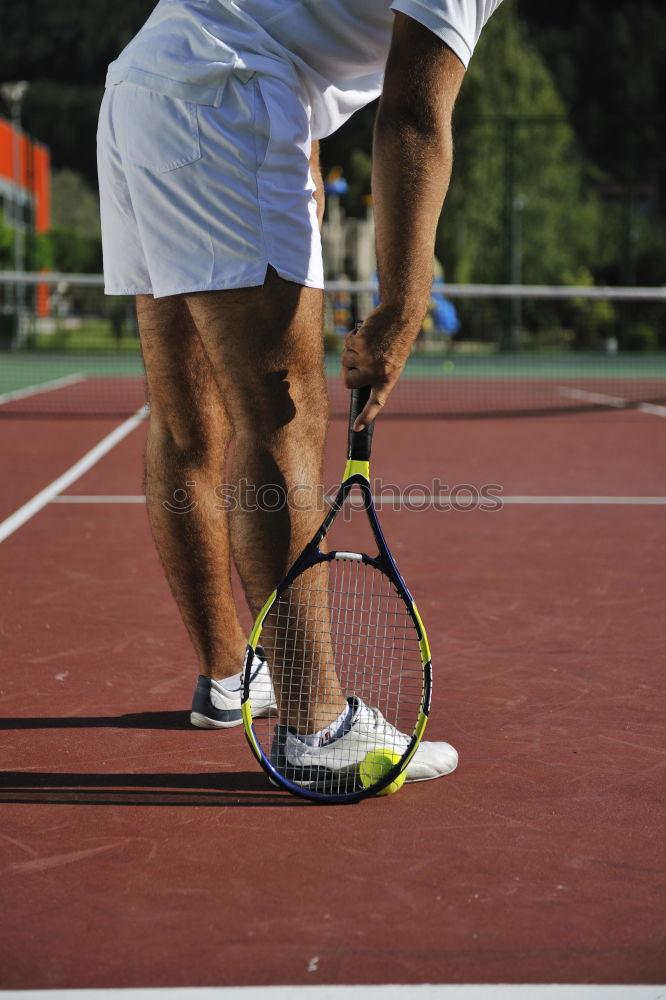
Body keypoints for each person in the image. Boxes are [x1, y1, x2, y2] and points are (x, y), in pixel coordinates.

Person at [97, 0, 503, 786]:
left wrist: (300, 164)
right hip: (229, 95)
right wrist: (403, 305)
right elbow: (415, 115)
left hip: (145, 86)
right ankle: (317, 726)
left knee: (185, 425)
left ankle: (228, 681)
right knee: (279, 420)